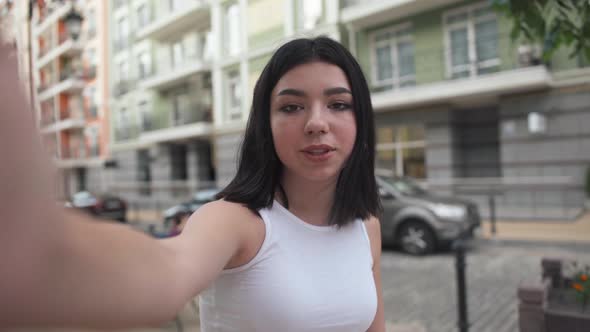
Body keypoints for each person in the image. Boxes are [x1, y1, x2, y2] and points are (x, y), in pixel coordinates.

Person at [0, 34, 385, 332]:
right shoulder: (235, 222)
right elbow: (167, 272)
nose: (317, 122)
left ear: (360, 120)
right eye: (291, 107)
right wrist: (36, 245)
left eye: (338, 104)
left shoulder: (365, 228)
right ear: (265, 127)